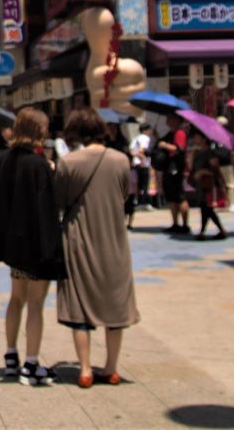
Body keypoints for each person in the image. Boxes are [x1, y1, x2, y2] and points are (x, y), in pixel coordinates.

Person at [0, 107, 66, 386]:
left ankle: (10, 355)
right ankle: (31, 362)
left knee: (16, 299)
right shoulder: (38, 165)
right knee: (36, 304)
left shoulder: (4, 160)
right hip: (37, 247)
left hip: (14, 247)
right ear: (39, 131)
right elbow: (46, 211)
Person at [55, 108, 139, 388]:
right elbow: (124, 194)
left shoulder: (68, 162)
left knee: (80, 305)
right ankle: (112, 368)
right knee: (115, 302)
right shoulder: (121, 160)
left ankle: (85, 369)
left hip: (79, 238)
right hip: (114, 237)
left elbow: (61, 200)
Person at [189, 132, 228, 240]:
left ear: (203, 139)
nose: (195, 139)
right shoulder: (198, 153)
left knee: (207, 208)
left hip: (209, 185)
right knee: (205, 208)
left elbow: (215, 170)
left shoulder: (210, 153)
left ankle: (205, 231)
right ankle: (213, 231)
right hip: (201, 185)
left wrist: (203, 172)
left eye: (197, 137)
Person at [156, 115, 190, 234]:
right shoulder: (170, 133)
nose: (167, 120)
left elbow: (179, 149)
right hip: (168, 168)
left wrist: (165, 146)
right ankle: (175, 223)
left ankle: (185, 225)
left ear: (176, 120)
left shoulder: (180, 133)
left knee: (179, 197)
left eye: (170, 118)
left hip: (175, 168)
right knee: (171, 197)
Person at [216, 116, 234, 211]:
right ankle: (229, 203)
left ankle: (229, 203)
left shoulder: (216, 136)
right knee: (229, 184)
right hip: (225, 162)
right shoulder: (229, 136)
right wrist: (233, 162)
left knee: (227, 184)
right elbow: (233, 151)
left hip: (220, 162)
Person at [129, 124, 152, 209]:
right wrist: (143, 159)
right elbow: (142, 149)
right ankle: (144, 202)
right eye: (149, 130)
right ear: (145, 130)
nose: (150, 132)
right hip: (143, 164)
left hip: (135, 163)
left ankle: (138, 201)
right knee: (144, 184)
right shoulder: (145, 138)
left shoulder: (135, 138)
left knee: (138, 184)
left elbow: (131, 150)